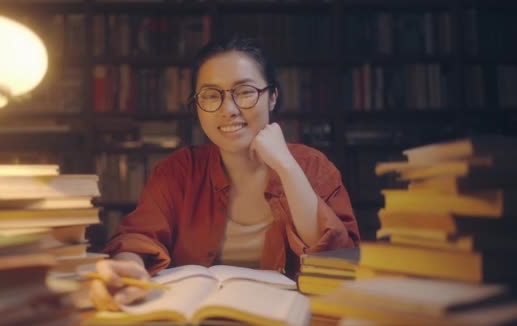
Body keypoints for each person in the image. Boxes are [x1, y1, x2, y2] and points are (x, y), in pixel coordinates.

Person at [90, 37, 360, 310]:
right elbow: (139, 238)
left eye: (244, 92)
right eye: (210, 95)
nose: (228, 110)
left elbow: (336, 258)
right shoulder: (178, 172)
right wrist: (127, 268)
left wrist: (287, 167)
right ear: (197, 105)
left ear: (273, 97)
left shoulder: (314, 167)